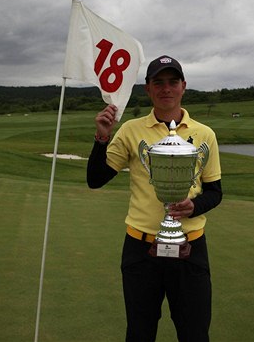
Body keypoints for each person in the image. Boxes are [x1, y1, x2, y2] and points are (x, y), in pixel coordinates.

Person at [87, 55, 222, 342]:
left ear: (183, 86)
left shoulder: (204, 134)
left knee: (195, 333)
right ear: (147, 89)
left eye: (173, 82)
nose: (166, 88)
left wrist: (193, 206)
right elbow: (95, 180)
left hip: (190, 247)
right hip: (141, 249)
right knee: (139, 333)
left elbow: (214, 192)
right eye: (158, 82)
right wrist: (101, 138)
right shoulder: (131, 130)